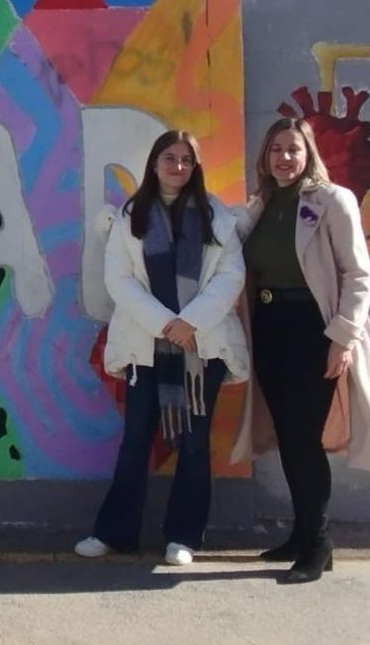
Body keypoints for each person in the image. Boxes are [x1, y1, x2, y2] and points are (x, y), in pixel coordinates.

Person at [233, 117, 370, 584]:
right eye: (275, 150)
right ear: (264, 159)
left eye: (293, 149)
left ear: (309, 153)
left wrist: (342, 337)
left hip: (316, 330)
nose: (283, 158)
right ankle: (301, 535)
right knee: (290, 438)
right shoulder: (260, 206)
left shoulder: (332, 201)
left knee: (306, 441)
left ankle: (318, 544)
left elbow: (357, 274)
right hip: (272, 329)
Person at [76, 130, 249, 566]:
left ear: (195, 167)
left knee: (194, 443)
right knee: (135, 440)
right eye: (169, 158)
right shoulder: (133, 216)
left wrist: (188, 323)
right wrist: (165, 324)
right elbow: (120, 280)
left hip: (199, 349)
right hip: (145, 349)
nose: (178, 167)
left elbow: (230, 277)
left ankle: (183, 537)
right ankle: (115, 533)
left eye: (186, 160)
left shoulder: (217, 218)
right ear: (154, 164)